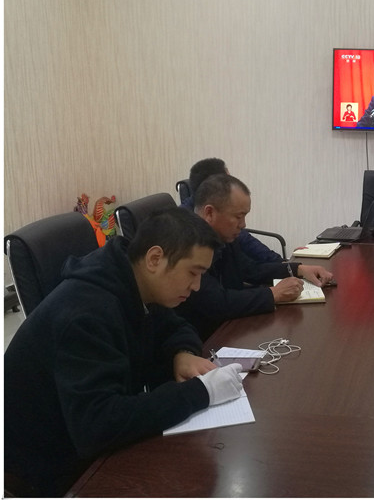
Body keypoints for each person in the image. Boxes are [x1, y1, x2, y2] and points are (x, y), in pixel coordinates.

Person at [4, 208, 246, 497]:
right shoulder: (87, 315)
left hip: (79, 439)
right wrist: (202, 392)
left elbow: (175, 326)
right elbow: (98, 426)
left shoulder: (135, 280)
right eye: (193, 273)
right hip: (41, 468)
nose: (196, 286)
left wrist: (182, 353)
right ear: (155, 258)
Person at [176, 174, 334, 340]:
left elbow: (250, 269)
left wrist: (298, 269)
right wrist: (273, 293)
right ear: (209, 213)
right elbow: (216, 303)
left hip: (230, 327)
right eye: (238, 217)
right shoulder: (186, 243)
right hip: (204, 337)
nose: (243, 224)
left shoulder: (222, 236)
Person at [180, 157, 283, 263]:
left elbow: (250, 262)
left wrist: (285, 264)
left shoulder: (224, 228)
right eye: (227, 182)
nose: (243, 225)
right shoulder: (186, 238)